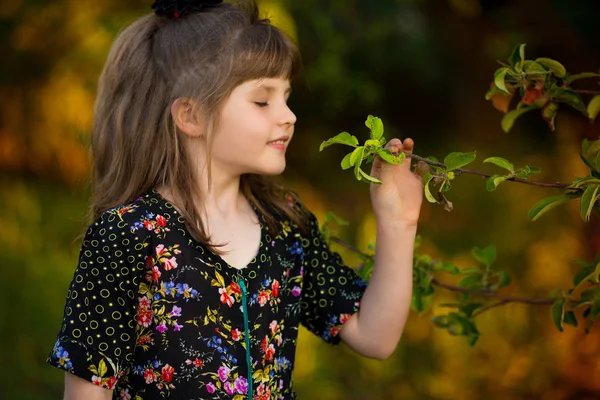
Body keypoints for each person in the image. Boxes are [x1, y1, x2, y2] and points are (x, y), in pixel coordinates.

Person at [46, 0, 424, 399]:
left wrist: (399, 222)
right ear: (191, 116)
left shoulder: (285, 225)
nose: (288, 115)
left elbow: (374, 336)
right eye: (262, 100)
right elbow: (88, 392)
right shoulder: (129, 235)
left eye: (286, 96)